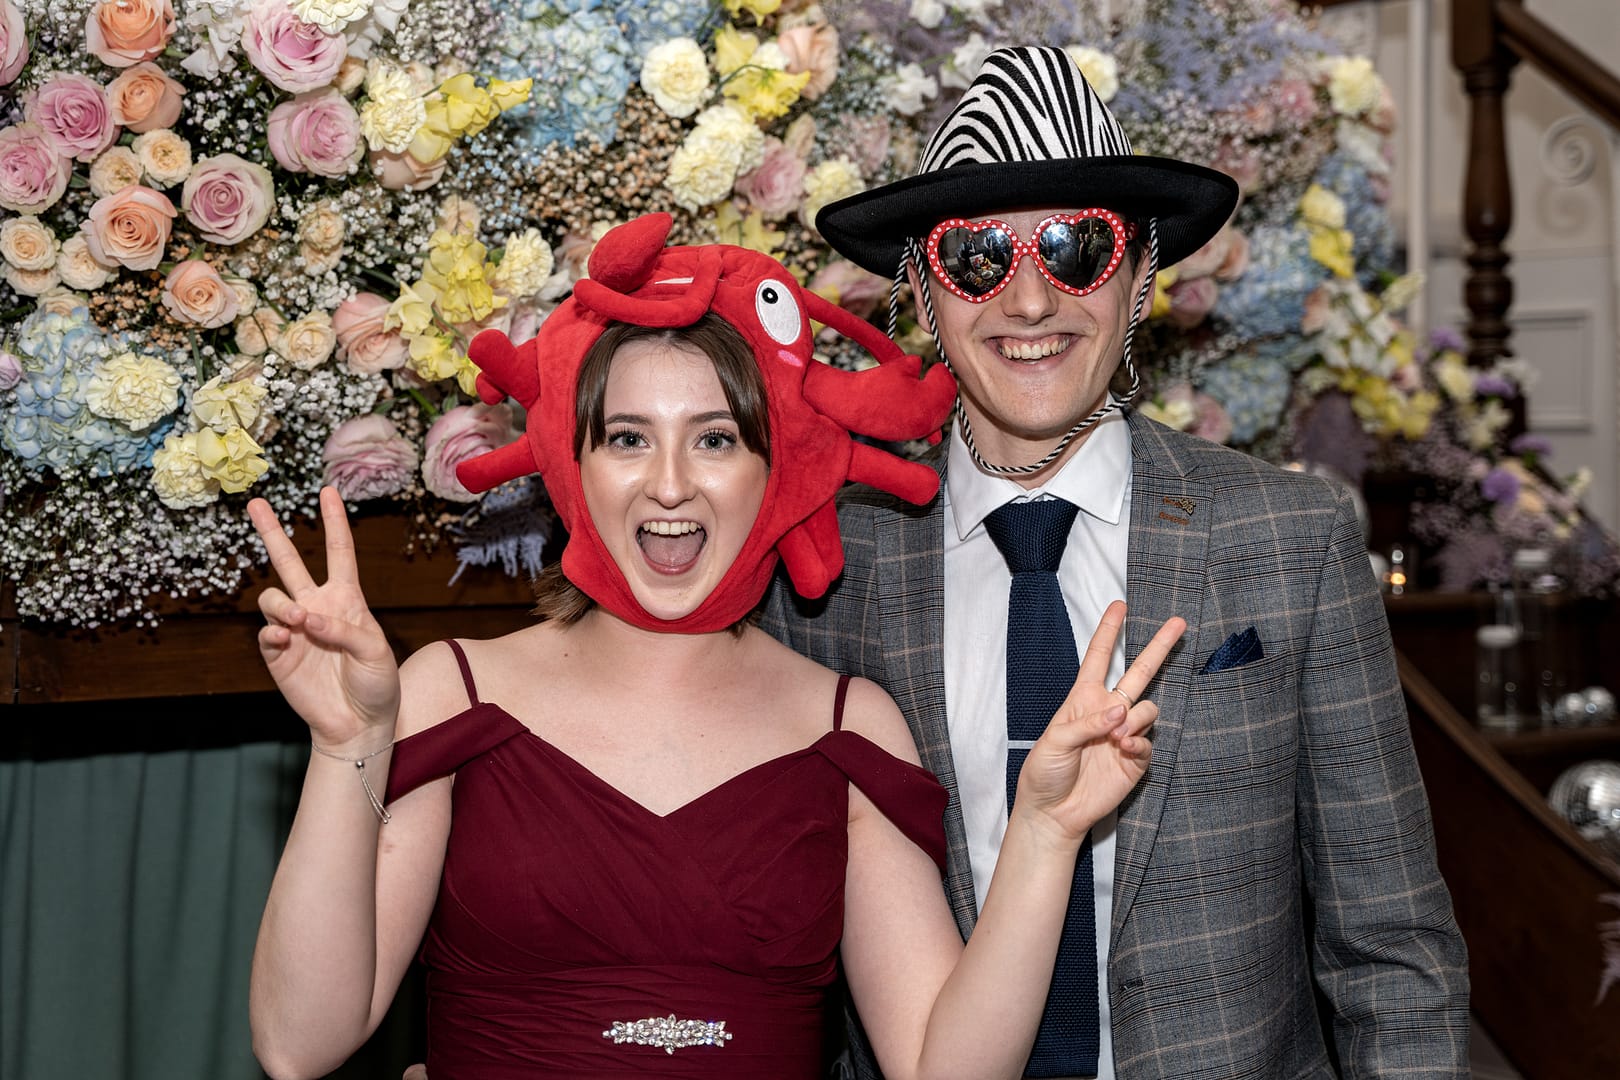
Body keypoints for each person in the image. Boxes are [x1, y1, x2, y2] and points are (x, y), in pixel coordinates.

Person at [245, 211, 1189, 1080]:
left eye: (715, 440)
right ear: (572, 465)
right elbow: (298, 1043)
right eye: (626, 438)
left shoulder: (848, 725)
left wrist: (1045, 833)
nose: (669, 485)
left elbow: (946, 1070)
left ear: (777, 471)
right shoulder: (452, 691)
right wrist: (344, 745)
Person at [762, 46, 1472, 1078]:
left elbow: (1392, 950)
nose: (1030, 301)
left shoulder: (1290, 537)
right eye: (976, 257)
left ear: (1141, 275)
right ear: (920, 289)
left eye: (1076, 247)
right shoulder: (827, 565)